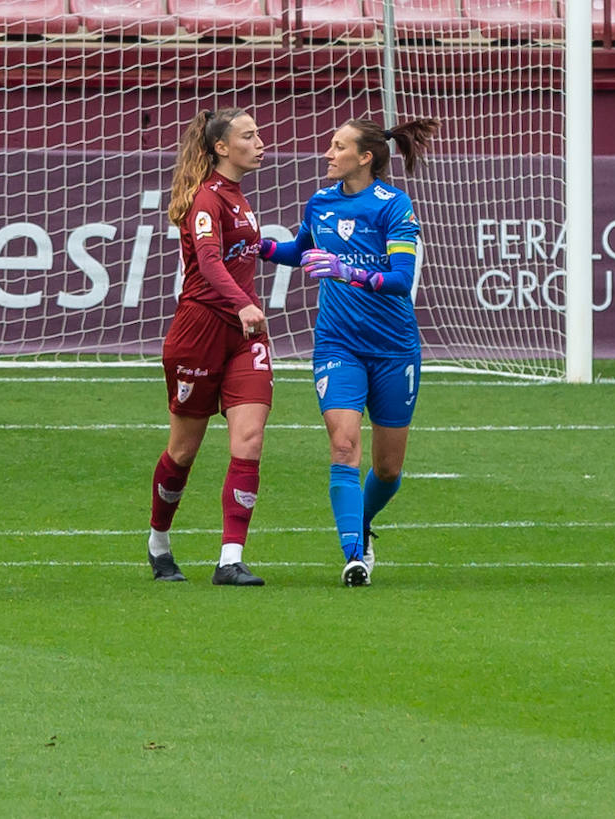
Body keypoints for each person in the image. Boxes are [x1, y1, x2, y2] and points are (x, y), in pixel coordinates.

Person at [258, 117, 438, 586]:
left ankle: (364, 523)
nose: (327, 154)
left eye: (338, 147)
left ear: (365, 157)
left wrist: (348, 271)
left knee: (388, 468)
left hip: (394, 348)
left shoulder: (394, 206)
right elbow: (299, 251)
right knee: (343, 447)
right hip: (338, 343)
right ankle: (354, 555)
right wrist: (254, 245)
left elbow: (400, 281)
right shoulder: (320, 202)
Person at [147, 108, 271, 587]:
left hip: (244, 338)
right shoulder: (206, 200)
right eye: (249, 135)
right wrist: (242, 303)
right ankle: (159, 540)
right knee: (183, 451)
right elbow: (209, 260)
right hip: (199, 333)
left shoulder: (240, 198)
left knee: (250, 441)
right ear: (221, 147)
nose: (260, 141)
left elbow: (245, 256)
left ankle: (230, 559)